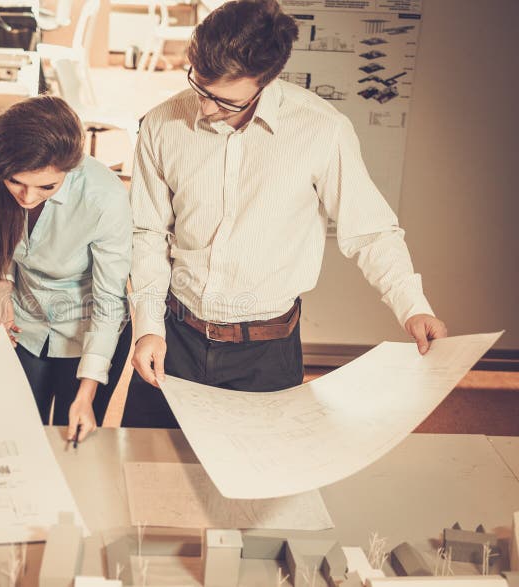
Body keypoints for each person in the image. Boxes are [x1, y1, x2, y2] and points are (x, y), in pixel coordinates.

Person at [123, 0, 448, 428]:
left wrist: (413, 307)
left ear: (267, 80)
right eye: (199, 86)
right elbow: (147, 232)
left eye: (224, 100)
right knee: (148, 461)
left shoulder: (321, 129)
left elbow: (371, 233)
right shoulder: (162, 124)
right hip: (174, 337)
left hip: (266, 354)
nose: (204, 108)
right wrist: (148, 325)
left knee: (258, 469)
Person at [0, 95, 132, 443]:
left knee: (70, 442)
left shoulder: (104, 197)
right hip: (26, 323)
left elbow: (110, 302)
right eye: (16, 182)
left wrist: (87, 395)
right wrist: (0, 281)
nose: (28, 198)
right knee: (18, 435)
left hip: (89, 329)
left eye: (47, 186)